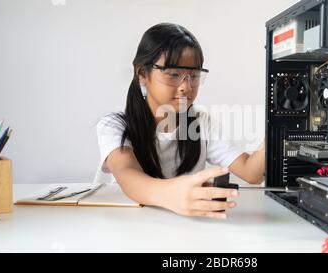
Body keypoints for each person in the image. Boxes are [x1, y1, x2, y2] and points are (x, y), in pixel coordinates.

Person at [97, 23, 265, 219]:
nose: (186, 87)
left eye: (193, 76)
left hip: (185, 231)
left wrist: (279, 123)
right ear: (142, 74)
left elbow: (251, 172)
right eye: (174, 74)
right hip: (129, 228)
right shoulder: (114, 126)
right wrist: (172, 194)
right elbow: (128, 175)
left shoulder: (201, 124)